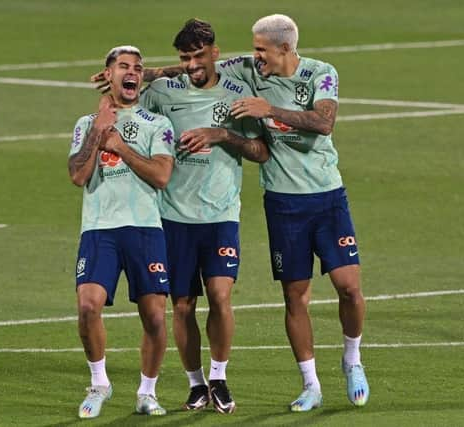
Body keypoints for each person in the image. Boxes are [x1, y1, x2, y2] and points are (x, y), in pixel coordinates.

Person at [219, 14, 370, 411]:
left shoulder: (321, 73)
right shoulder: (251, 71)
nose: (254, 57)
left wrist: (269, 109)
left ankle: (352, 358)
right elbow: (198, 66)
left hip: (327, 197)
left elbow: (323, 122)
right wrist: (141, 73)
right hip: (284, 203)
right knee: (295, 297)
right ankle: (311, 385)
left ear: (285, 48)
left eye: (260, 49)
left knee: (349, 287)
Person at [139, 19, 269, 413]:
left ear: (215, 53)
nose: (193, 64)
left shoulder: (237, 92)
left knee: (220, 295)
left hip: (220, 213)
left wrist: (223, 135)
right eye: (185, 58)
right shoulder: (161, 93)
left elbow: (261, 151)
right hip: (173, 215)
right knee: (182, 304)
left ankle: (219, 376)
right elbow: (135, 127)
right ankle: (196, 384)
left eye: (199, 55)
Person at [68, 45, 175, 418]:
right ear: (109, 75)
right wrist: (98, 133)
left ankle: (147, 392)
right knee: (87, 307)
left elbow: (162, 176)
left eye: (138, 68)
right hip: (99, 230)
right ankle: (99, 383)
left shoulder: (157, 124)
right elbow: (79, 176)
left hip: (145, 229)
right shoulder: (86, 123)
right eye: (124, 66)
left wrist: (120, 146)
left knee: (156, 318)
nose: (132, 72)